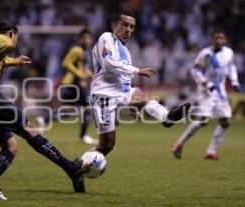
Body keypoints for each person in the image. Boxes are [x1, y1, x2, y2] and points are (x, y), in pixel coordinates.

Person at [0, 21, 92, 200]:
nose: (14, 42)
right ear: (12, 32)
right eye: (17, 36)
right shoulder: (2, 39)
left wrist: (15, 61)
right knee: (29, 129)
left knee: (11, 146)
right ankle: (71, 168)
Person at [88, 11, 190, 158]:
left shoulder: (125, 51)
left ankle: (167, 117)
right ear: (113, 25)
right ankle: (78, 166)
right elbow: (109, 64)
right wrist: (138, 71)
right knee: (106, 146)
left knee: (146, 97)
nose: (128, 29)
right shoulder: (106, 38)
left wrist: (132, 104)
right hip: (103, 97)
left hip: (122, 93)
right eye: (124, 25)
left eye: (131, 26)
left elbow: (122, 79)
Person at [172, 29, 241, 160]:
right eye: (216, 38)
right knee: (204, 120)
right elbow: (195, 70)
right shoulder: (205, 53)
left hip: (220, 91)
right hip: (206, 91)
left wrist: (234, 81)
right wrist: (205, 83)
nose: (218, 40)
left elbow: (231, 67)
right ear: (212, 40)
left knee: (225, 121)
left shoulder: (228, 53)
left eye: (221, 38)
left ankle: (211, 151)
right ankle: (178, 144)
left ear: (225, 40)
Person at [56, 28, 97, 144]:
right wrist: (80, 74)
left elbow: (82, 69)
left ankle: (44, 119)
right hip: (73, 84)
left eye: (89, 38)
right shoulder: (76, 50)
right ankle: (83, 136)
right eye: (85, 38)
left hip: (77, 84)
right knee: (87, 107)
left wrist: (92, 75)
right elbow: (65, 63)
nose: (87, 41)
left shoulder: (84, 51)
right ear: (80, 39)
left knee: (68, 112)